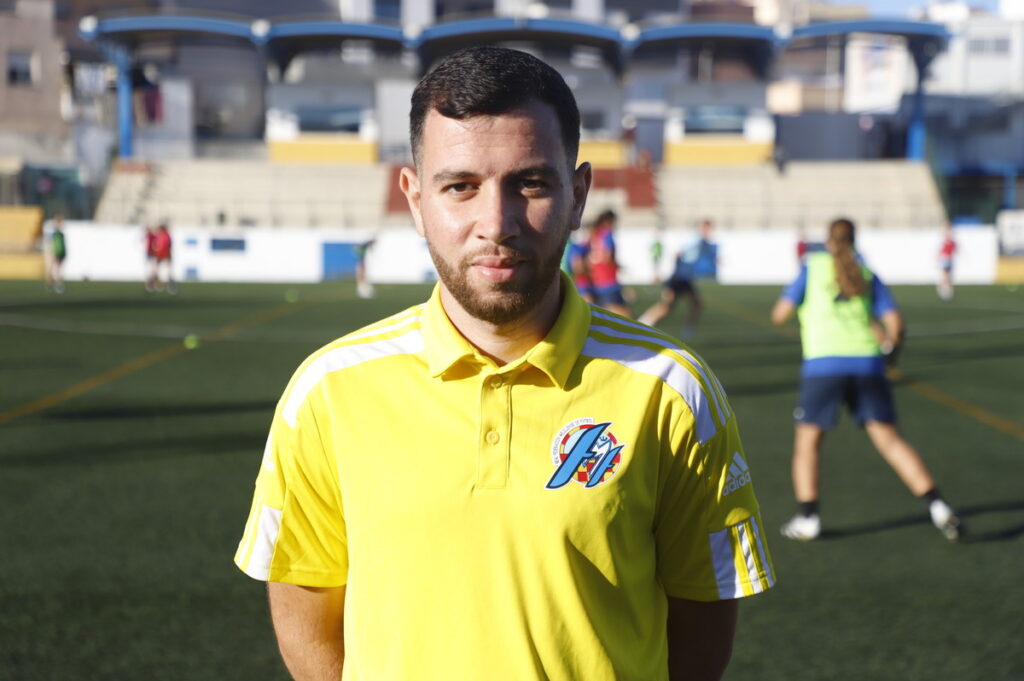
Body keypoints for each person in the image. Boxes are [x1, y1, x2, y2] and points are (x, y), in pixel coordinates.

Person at [234, 46, 775, 681]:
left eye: (531, 183)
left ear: (578, 194)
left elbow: (702, 621)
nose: (497, 222)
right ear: (414, 198)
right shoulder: (328, 391)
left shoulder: (671, 390)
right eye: (460, 186)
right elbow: (305, 603)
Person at [771, 217, 962, 543]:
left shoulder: (813, 268)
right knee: (890, 442)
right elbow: (895, 325)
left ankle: (808, 518)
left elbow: (780, 315)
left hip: (823, 365)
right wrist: (889, 353)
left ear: (828, 240)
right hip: (868, 365)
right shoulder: (867, 273)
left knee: (807, 445)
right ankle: (938, 506)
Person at [638, 219, 715, 339]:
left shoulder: (703, 242)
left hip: (685, 279)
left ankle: (687, 330)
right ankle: (644, 323)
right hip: (677, 279)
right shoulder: (693, 240)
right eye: (706, 228)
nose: (708, 231)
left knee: (696, 303)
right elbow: (678, 254)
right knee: (666, 306)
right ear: (701, 228)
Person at [586, 209, 631, 317]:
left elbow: (588, 258)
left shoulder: (595, 234)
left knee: (604, 318)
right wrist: (618, 266)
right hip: (609, 280)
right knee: (626, 318)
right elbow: (608, 257)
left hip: (596, 280)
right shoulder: (607, 234)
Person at [146, 222, 176, 294]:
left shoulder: (165, 236)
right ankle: (152, 287)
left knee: (166, 273)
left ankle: (170, 288)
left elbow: (168, 247)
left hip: (163, 256)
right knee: (155, 272)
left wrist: (168, 256)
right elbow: (156, 247)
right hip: (160, 256)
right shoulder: (160, 236)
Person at [42, 213, 67, 293]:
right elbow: (49, 242)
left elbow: (61, 245)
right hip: (55, 252)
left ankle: (57, 285)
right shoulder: (54, 233)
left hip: (58, 252)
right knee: (52, 269)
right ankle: (53, 284)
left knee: (57, 270)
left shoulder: (60, 234)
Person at [937, 225, 956, 301]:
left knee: (948, 276)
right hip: (945, 259)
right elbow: (941, 251)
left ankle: (947, 289)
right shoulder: (945, 241)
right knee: (945, 275)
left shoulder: (952, 242)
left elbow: (954, 250)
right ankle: (941, 288)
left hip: (949, 260)